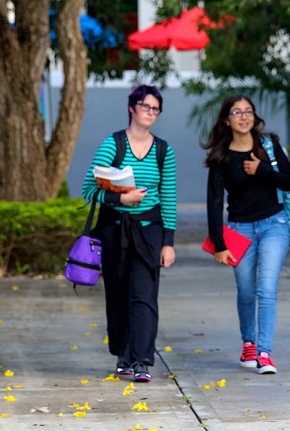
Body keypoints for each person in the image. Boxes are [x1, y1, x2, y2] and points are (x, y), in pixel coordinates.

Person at [81, 84, 177, 383]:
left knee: (144, 295)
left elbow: (169, 198)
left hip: (150, 232)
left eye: (156, 109)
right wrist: (120, 199)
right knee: (118, 293)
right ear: (132, 107)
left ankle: (142, 361)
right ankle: (123, 355)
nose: (151, 113)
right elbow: (88, 190)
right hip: (115, 230)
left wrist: (169, 244)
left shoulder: (163, 150)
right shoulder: (113, 145)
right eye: (146, 106)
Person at [204, 94, 290, 375]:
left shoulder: (269, 144)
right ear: (226, 119)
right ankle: (249, 342)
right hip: (239, 229)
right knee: (245, 291)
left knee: (266, 289)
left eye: (248, 111)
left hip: (273, 225)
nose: (243, 117)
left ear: (255, 117)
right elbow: (214, 201)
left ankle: (265, 352)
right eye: (236, 112)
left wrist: (262, 169)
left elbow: (289, 180)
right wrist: (218, 243)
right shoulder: (221, 156)